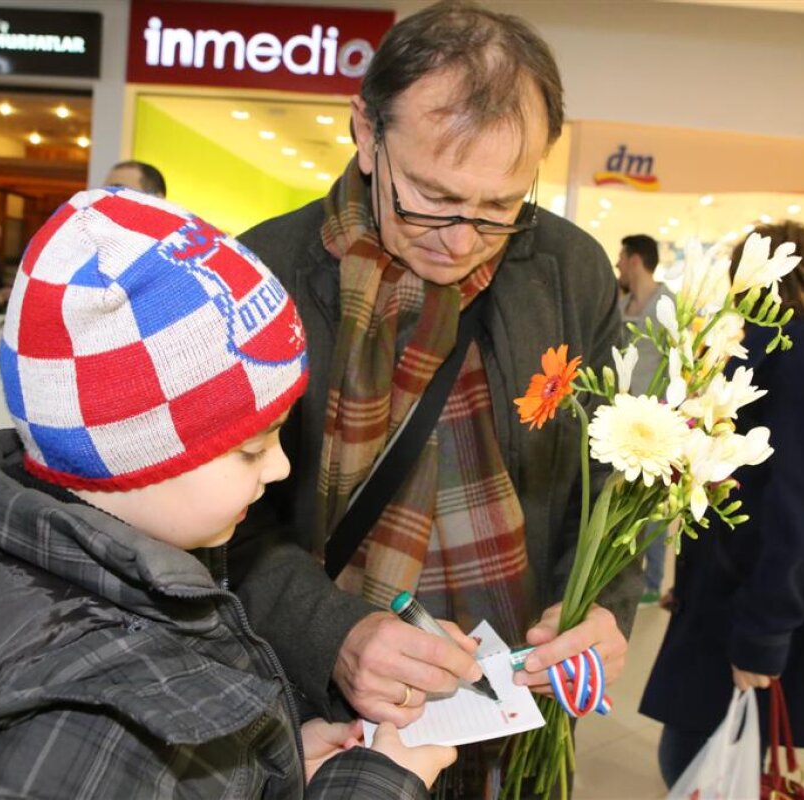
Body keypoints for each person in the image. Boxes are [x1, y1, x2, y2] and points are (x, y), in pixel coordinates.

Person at [0, 187, 454, 799]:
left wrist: (264, 771)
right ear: (133, 453)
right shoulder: (103, 718)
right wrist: (373, 787)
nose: (282, 467)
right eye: (251, 448)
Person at [231, 3, 635, 795]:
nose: (461, 238)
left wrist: (600, 609)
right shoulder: (261, 277)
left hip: (514, 716)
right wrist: (335, 634)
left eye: (500, 207)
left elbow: (610, 483)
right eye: (431, 196)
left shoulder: (569, 271)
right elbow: (220, 528)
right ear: (366, 131)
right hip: (328, 720)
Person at [639, 220, 804, 787]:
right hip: (735, 594)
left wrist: (763, 634)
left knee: (700, 763)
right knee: (702, 760)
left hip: (755, 605)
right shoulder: (801, 347)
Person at [616, 233, 675, 604]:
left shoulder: (666, 304)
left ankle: (652, 581)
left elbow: (678, 361)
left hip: (654, 423)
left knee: (650, 505)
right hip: (621, 421)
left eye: (622, 258)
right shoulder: (621, 303)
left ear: (635, 259)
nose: (618, 265)